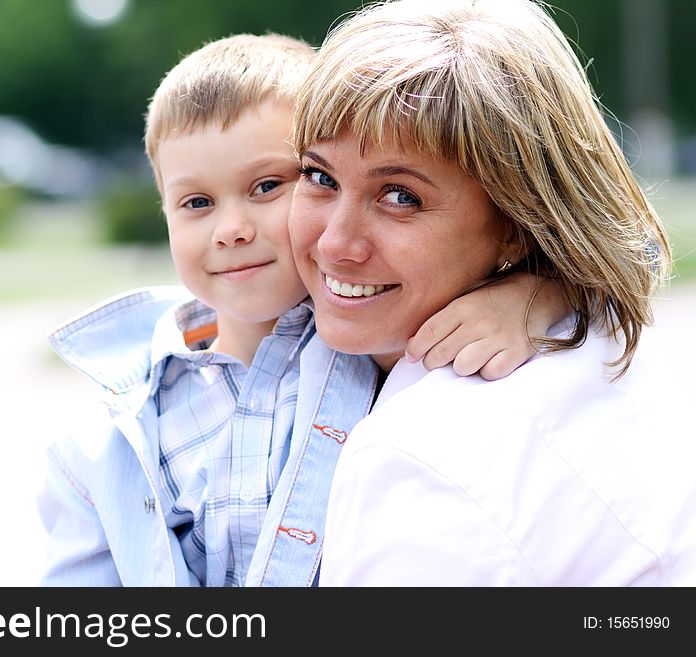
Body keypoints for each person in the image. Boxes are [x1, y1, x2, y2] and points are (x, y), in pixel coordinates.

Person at [37, 32, 568, 587]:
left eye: (267, 186)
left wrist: (535, 294)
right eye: (197, 203)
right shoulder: (120, 430)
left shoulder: (370, 331)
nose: (231, 230)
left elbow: (623, 261)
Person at [285, 0, 695, 586]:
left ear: (516, 221)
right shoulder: (595, 335)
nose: (333, 243)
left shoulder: (427, 457)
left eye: (400, 196)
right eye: (319, 176)